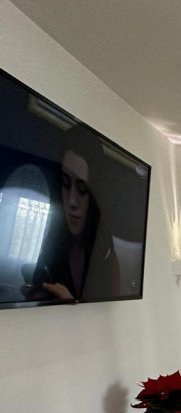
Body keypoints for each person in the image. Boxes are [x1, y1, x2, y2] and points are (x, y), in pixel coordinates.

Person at [29, 127, 120, 301]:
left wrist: (68, 301)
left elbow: (111, 315)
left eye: (82, 188)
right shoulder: (50, 248)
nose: (72, 201)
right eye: (66, 183)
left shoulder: (107, 258)